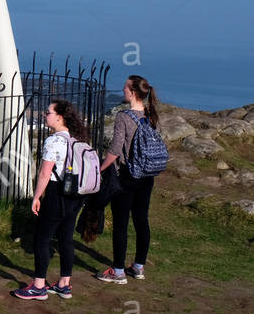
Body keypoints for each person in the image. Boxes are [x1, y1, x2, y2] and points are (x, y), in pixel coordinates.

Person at [13, 100, 91, 301]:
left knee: (42, 238)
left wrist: (37, 197)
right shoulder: (78, 140)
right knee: (66, 238)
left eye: (48, 112)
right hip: (75, 194)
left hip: (57, 193)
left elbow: (45, 174)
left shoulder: (54, 141)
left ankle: (39, 285)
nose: (44, 115)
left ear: (59, 117)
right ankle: (64, 284)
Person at [96, 75, 160, 283]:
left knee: (121, 224)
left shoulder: (124, 117)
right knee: (142, 220)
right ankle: (139, 266)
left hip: (126, 175)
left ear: (132, 93)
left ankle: (118, 271)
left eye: (125, 88)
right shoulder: (152, 114)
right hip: (147, 176)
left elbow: (115, 149)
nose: (122, 90)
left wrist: (100, 169)